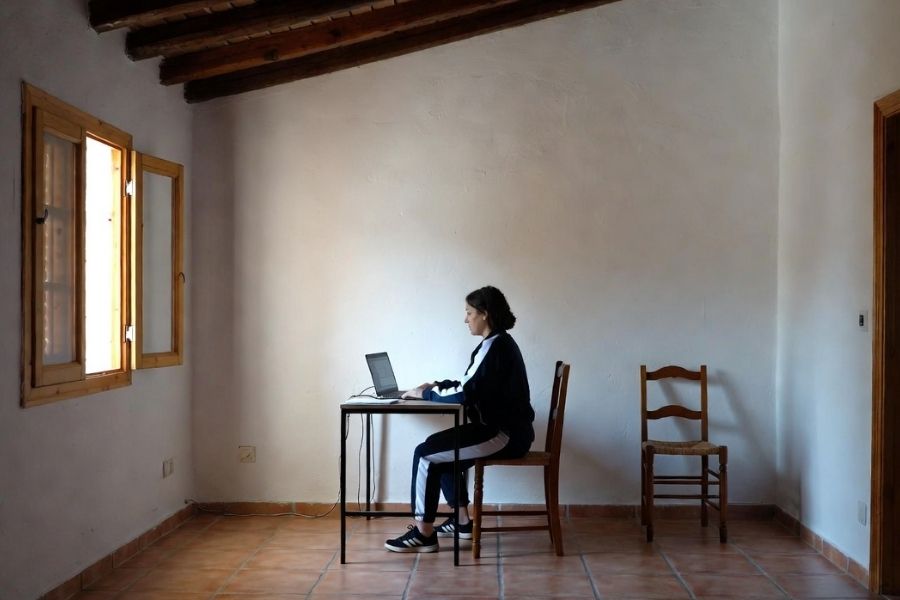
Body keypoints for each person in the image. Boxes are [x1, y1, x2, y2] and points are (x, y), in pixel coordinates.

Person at [384, 285, 535, 553]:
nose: (465, 319)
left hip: (504, 435)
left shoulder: (495, 346)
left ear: (485, 314)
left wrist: (427, 393)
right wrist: (434, 386)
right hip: (505, 430)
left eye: (469, 313)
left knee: (426, 455)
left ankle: (423, 533)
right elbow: (472, 383)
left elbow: (466, 392)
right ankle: (462, 522)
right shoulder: (496, 344)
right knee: (437, 446)